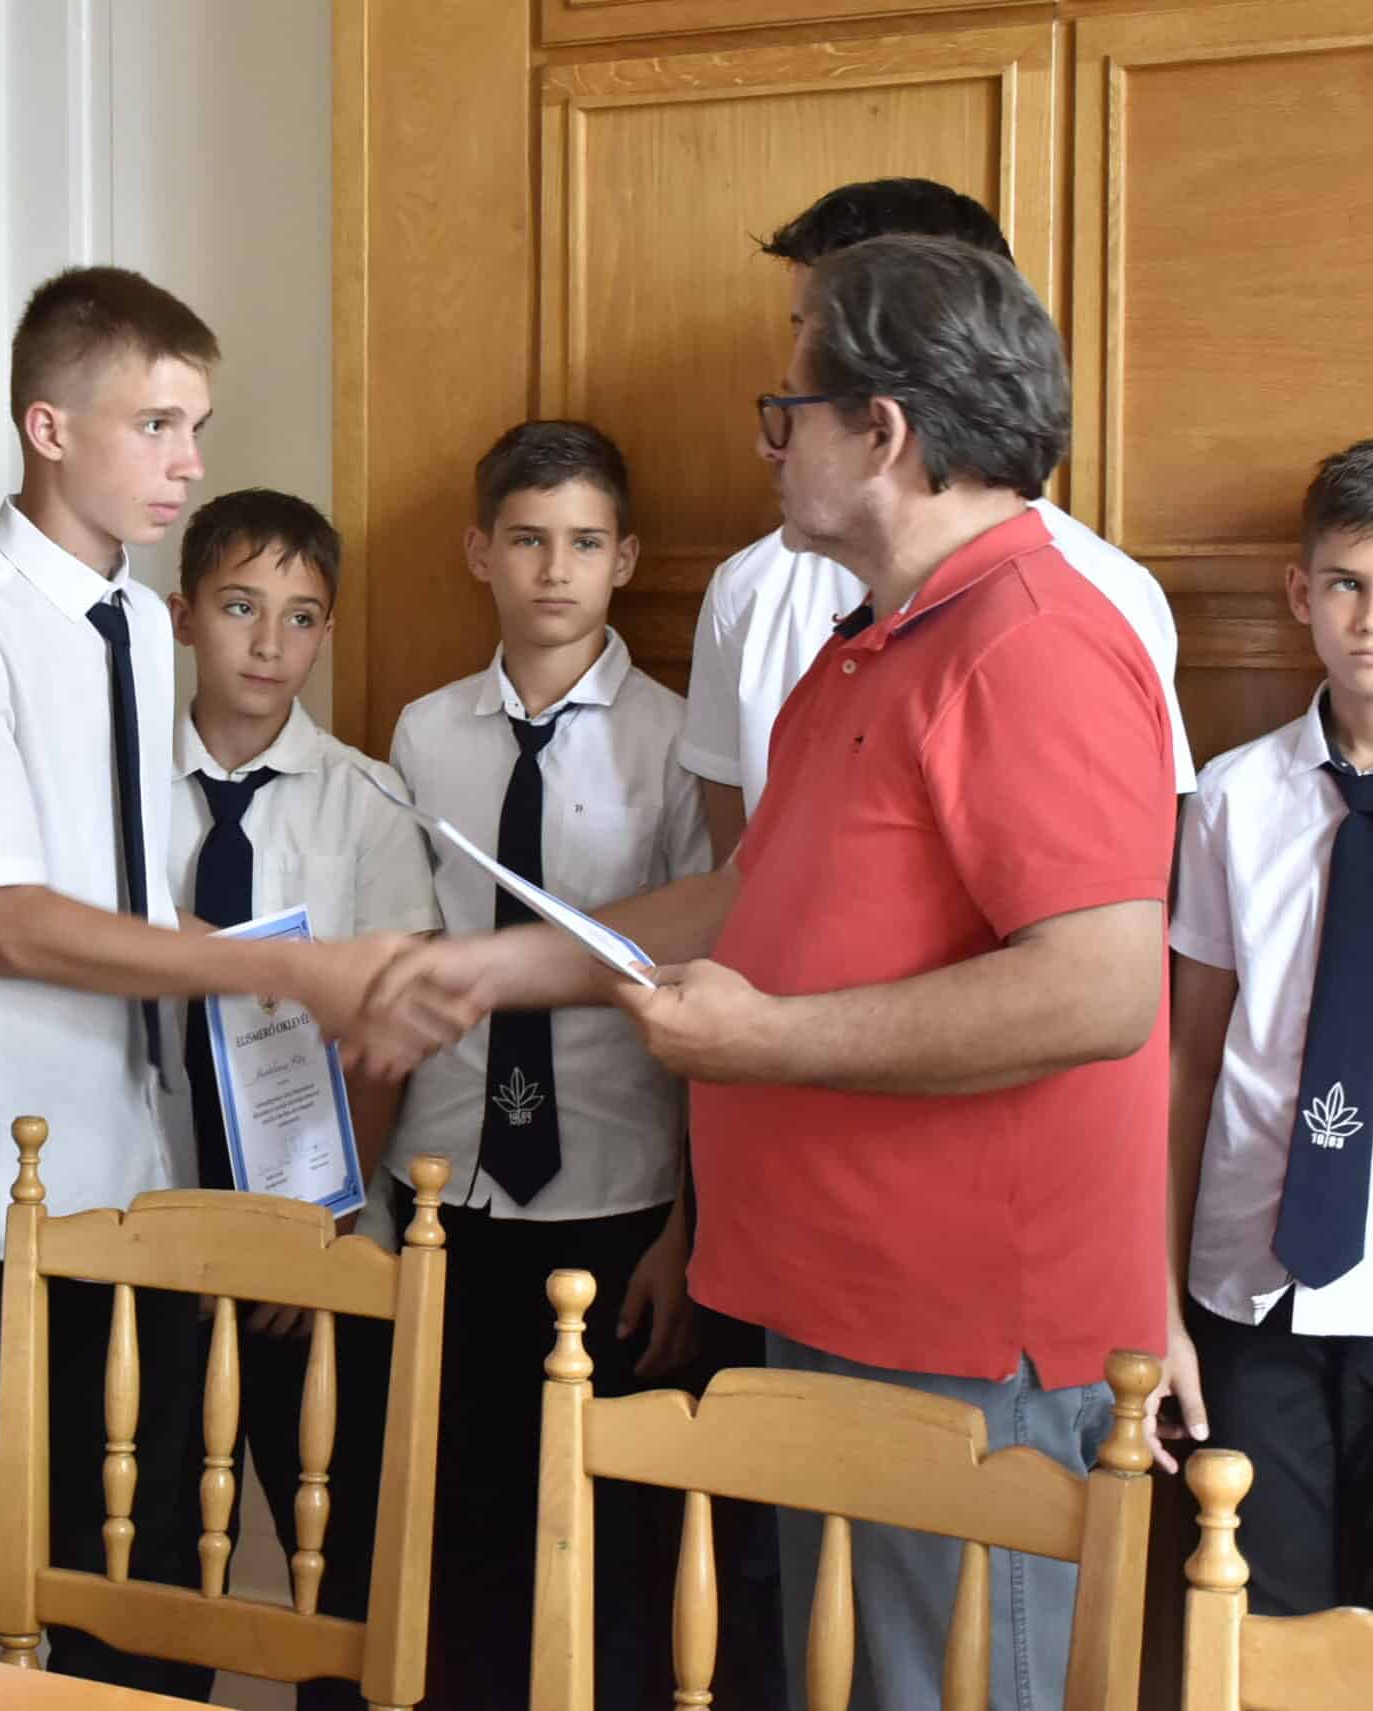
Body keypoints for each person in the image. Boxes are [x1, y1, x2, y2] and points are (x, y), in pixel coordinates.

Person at [364, 237, 1176, 1711]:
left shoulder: (1036, 640)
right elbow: (746, 900)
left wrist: (767, 1041)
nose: (769, 440)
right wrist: (488, 967)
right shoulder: (871, 644)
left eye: (786, 405)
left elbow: (1097, 987)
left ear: (884, 430)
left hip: (960, 1335)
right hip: (837, 1304)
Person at [0, 266, 447, 1691]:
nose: (188, 462)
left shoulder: (121, 617)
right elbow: (15, 924)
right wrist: (289, 962)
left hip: (126, 1178)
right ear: (50, 428)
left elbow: (118, 897)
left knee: (143, 1579)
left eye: (199, 427)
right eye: (157, 424)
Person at [381, 420, 711, 1708]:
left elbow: (702, 980)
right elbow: (411, 954)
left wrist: (688, 1222)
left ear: (624, 557)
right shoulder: (424, 735)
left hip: (620, 1189)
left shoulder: (676, 740)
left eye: (582, 541)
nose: (554, 570)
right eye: (526, 539)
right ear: (481, 552)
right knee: (460, 1522)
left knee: (612, 1538)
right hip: (450, 1180)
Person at [678, 177, 1193, 863]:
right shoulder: (778, 606)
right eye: (800, 331)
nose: (775, 435)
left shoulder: (1083, 612)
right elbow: (745, 883)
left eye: (821, 336)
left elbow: (1111, 907)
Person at [159, 486, 441, 1710]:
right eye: (239, 608)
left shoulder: (364, 802)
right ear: (183, 615)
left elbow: (388, 1033)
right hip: (149, 1216)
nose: (269, 643)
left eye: (301, 616)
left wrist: (322, 1218)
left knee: (345, 1560)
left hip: (311, 1236)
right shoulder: (119, 791)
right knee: (146, 1545)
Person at [1158, 439, 1373, 1615]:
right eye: (1346, 583)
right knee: (1262, 1629)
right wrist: (1155, 1295)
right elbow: (1190, 1059)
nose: (1369, 620)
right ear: (1300, 592)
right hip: (1254, 1285)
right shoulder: (1234, 798)